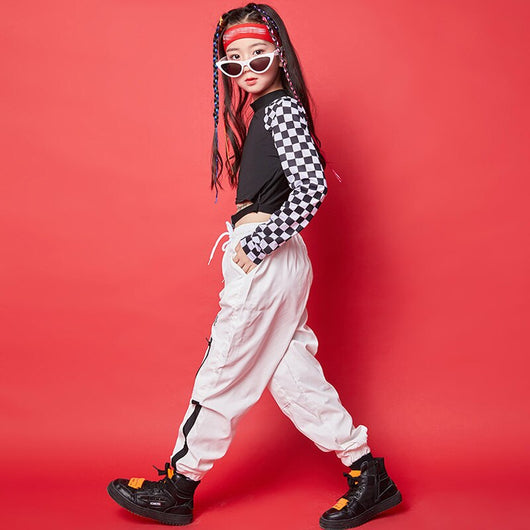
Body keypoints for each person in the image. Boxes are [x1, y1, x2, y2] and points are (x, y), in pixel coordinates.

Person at [107, 3, 402, 528]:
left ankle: (179, 485)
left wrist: (260, 242)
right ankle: (366, 472)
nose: (246, 68)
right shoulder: (268, 110)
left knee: (223, 368)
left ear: (279, 53)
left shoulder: (280, 110)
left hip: (266, 256)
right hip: (280, 261)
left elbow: (311, 186)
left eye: (258, 55)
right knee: (292, 375)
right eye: (233, 61)